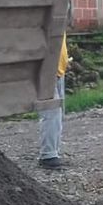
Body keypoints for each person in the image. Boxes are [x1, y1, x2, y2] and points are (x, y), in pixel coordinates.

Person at [39, 33, 69, 169]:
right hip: (46, 70)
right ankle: (48, 155)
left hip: (58, 71)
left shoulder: (58, 21)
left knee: (58, 114)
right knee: (52, 112)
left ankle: (53, 152)